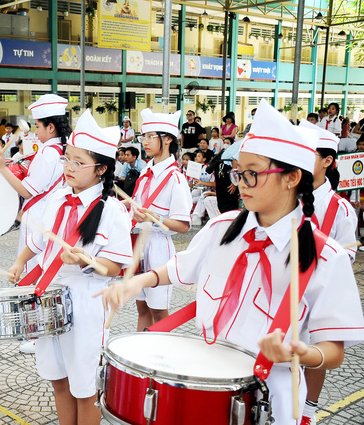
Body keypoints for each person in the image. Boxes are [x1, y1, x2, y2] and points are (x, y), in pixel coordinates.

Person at [96, 99, 364, 425]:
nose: (240, 185)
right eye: (239, 173)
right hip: (204, 381)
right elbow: (181, 267)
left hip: (271, 399)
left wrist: (302, 353)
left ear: (292, 178)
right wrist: (137, 281)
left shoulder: (326, 257)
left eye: (252, 174)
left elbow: (333, 350)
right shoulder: (223, 228)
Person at [8, 109, 132, 425]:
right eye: (67, 159)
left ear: (101, 168)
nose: (69, 168)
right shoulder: (58, 198)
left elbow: (116, 266)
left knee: (85, 383)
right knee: (58, 376)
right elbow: (38, 241)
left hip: (86, 301)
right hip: (49, 296)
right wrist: (19, 263)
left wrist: (85, 260)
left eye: (78, 162)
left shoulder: (112, 211)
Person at [0, 94, 70, 354]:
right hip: (48, 215)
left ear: (51, 126)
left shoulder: (49, 153)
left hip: (39, 216)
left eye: (38, 126)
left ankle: (38, 333)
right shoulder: (61, 150)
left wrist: (2, 168)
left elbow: (27, 191)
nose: (35, 131)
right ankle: (38, 329)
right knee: (42, 271)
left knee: (36, 271)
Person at [298, 119, 358, 424]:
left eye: (307, 154)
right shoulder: (288, 195)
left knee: (315, 349)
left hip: (318, 292)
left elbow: (347, 254)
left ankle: (309, 407)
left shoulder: (341, 209)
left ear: (327, 161)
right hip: (284, 287)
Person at [130, 108, 191, 330]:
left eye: (149, 136)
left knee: (158, 310)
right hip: (139, 244)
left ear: (167, 140)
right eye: (143, 137)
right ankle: (138, 355)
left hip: (158, 248)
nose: (144, 142)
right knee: (142, 307)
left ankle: (162, 355)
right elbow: (137, 204)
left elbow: (183, 225)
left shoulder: (175, 178)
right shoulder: (147, 172)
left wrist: (155, 218)